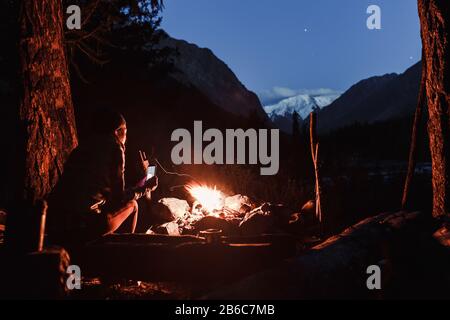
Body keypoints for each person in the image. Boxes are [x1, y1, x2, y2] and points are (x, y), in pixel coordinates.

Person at [47, 109, 158, 246]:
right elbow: (119, 198)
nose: (126, 138)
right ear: (118, 131)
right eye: (125, 132)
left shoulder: (82, 147)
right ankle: (122, 252)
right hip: (82, 225)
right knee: (133, 205)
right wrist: (145, 188)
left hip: (54, 221)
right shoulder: (115, 147)